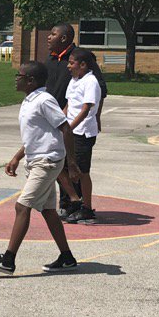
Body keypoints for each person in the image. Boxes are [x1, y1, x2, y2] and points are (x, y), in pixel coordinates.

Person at [0, 61, 80, 275]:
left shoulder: (44, 100)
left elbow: (66, 129)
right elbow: (35, 135)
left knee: (22, 207)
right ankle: (67, 257)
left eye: (20, 75)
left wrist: (71, 163)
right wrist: (17, 157)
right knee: (48, 210)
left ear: (31, 80)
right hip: (36, 160)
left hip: (48, 161)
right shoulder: (29, 101)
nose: (16, 78)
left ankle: (8, 260)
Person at [45, 22, 108, 214]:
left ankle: (80, 205)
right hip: (59, 122)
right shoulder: (52, 60)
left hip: (77, 128)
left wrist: (96, 117)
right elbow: (67, 101)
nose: (48, 37)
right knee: (60, 164)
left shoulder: (82, 61)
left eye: (53, 34)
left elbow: (98, 94)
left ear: (63, 38)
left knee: (77, 167)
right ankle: (68, 203)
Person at [59, 49, 103, 223]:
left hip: (82, 133)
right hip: (69, 131)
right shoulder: (74, 80)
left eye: (71, 63)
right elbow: (69, 106)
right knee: (60, 167)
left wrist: (69, 128)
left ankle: (87, 208)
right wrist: (59, 123)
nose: (68, 66)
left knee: (82, 171)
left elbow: (86, 109)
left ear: (83, 65)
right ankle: (74, 201)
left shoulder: (91, 82)